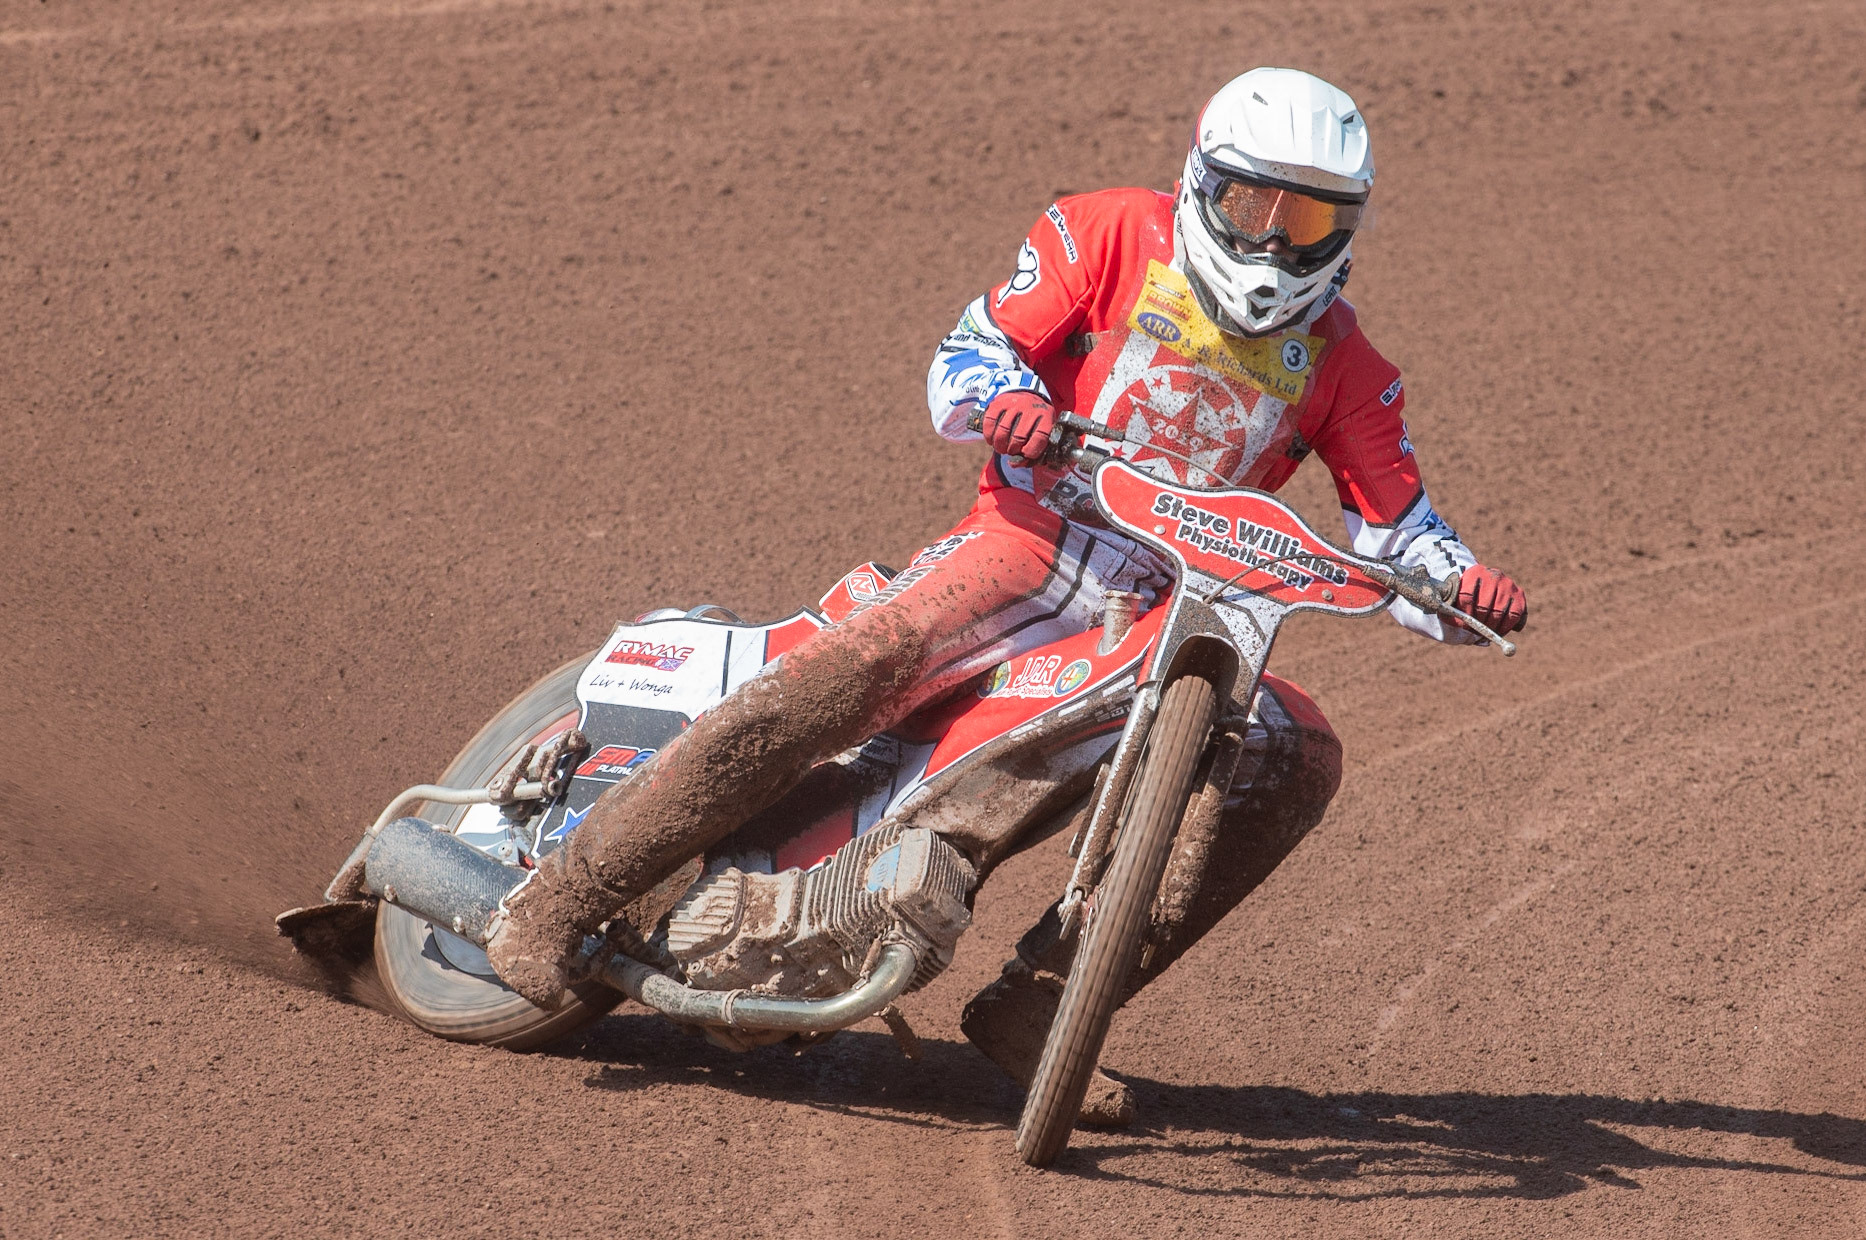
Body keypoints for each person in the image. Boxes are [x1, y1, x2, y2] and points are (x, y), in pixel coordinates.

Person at [485, 66, 1528, 1127]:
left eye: (1305, 219)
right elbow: (971, 351)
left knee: (1299, 745)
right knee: (862, 663)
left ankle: (1045, 1003)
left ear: (1346, 226)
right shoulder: (1106, 234)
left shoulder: (1349, 364)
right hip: (1030, 541)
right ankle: (562, 894)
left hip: (1179, 616)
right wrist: (1008, 399)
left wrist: (1462, 589)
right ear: (1199, 183)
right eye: (1250, 206)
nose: (1270, 244)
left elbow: (1401, 534)